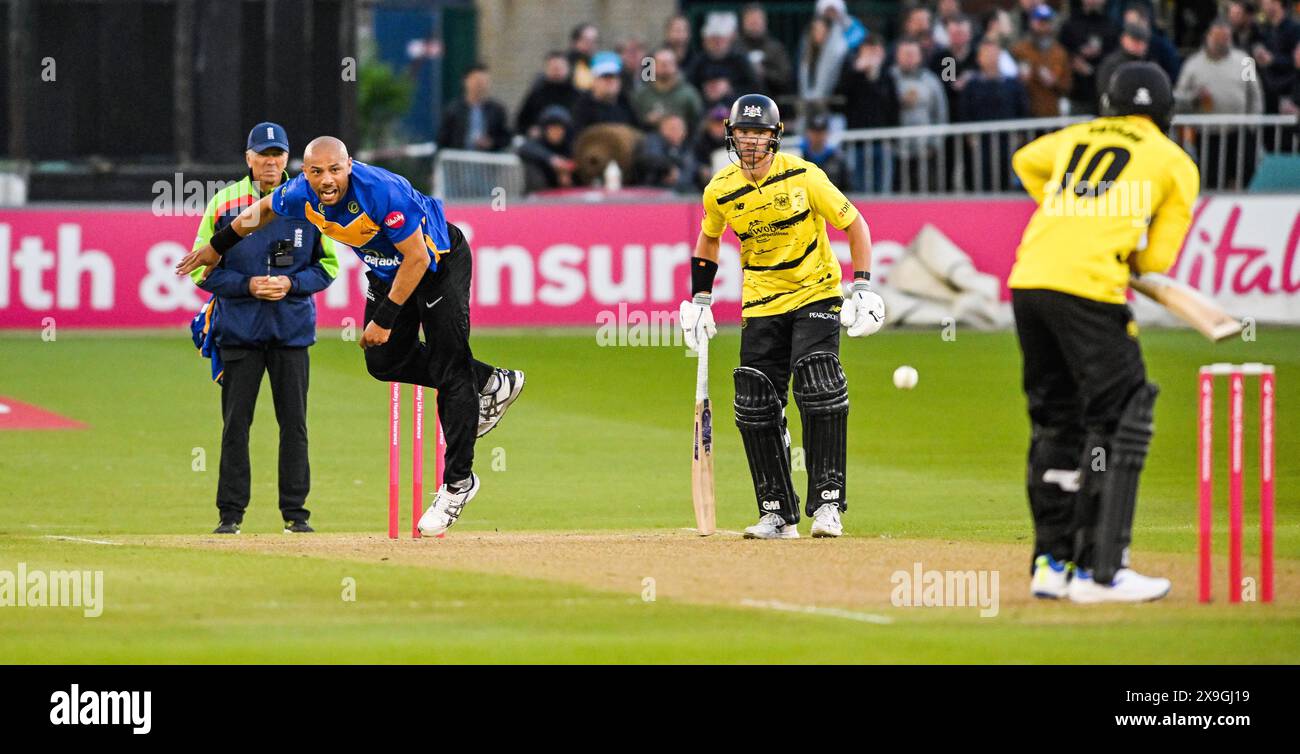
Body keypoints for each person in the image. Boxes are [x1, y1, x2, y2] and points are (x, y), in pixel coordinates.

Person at [176, 137, 527, 537]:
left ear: (349, 165)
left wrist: (386, 319)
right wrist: (215, 248)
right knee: (383, 363)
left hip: (436, 263)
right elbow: (259, 213)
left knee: (450, 365)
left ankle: (457, 485)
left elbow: (417, 258)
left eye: (335, 170)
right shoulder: (298, 193)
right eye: (316, 171)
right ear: (304, 173)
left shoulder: (380, 191)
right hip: (386, 271)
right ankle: (490, 382)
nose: (326, 180)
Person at [1009, 62, 1198, 603]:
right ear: (1165, 112)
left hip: (1029, 281)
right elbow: (1156, 259)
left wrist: (1069, 208)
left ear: (1110, 104)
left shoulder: (1077, 135)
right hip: (1088, 289)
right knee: (1122, 414)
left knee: (1056, 420)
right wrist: (1115, 237)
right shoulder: (1174, 161)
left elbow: (1025, 159)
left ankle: (1052, 563)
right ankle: (1103, 570)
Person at [679, 94, 884, 540]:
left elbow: (855, 225)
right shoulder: (720, 189)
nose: (751, 142)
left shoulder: (805, 176)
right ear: (730, 135)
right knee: (754, 401)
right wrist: (700, 298)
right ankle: (777, 512)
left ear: (775, 138)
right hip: (761, 301)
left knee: (818, 383)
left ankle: (828, 504)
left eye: (760, 134)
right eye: (743, 133)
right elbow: (708, 239)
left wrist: (863, 287)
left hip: (816, 292)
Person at [188, 123, 340, 535]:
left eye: (278, 154)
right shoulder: (224, 203)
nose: (271, 162)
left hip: (291, 331)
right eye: (263, 154)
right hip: (239, 331)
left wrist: (291, 284)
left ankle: (296, 514)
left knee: (295, 424)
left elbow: (328, 267)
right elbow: (201, 273)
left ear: (287, 158)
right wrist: (247, 285)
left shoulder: (309, 201)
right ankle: (230, 515)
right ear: (248, 158)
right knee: (236, 425)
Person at [1174, 19, 1263, 187]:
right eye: (1218, 37)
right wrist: (1194, 98)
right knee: (1211, 178)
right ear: (1208, 37)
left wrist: (1253, 123)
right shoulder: (1193, 65)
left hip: (1239, 132)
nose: (1223, 41)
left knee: (1243, 176)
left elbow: (1255, 94)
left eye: (1226, 37)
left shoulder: (1244, 61)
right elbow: (1179, 97)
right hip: (1208, 134)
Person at [891, 39, 949, 191]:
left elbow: (940, 113)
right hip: (897, 151)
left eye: (912, 54)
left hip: (925, 150)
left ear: (919, 57)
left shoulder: (931, 80)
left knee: (925, 193)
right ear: (897, 56)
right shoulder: (890, 78)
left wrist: (935, 143)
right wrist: (898, 102)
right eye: (905, 54)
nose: (909, 58)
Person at [1011, 4, 1073, 117]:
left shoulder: (1059, 52)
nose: (1044, 27)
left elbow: (1067, 85)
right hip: (1026, 113)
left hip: (1051, 114)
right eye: (1040, 22)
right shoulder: (1019, 50)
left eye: (1047, 22)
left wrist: (1054, 82)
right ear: (1032, 23)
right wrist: (1020, 79)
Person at [1060, 0, 1120, 114]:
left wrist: (1099, 59)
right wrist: (1075, 59)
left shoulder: (1112, 25)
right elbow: (1062, 51)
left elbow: (1116, 54)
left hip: (1104, 92)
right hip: (1077, 93)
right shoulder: (1070, 24)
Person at [436, 64, 511, 153]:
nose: (480, 85)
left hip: (487, 161)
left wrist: (491, 143)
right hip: (458, 161)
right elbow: (442, 139)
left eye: (485, 81)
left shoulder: (497, 110)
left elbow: (506, 137)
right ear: (465, 81)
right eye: (477, 81)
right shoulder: (453, 110)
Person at [631, 47, 704, 131]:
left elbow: (699, 122)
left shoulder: (689, 93)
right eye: (661, 64)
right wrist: (647, 121)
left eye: (669, 63)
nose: (665, 67)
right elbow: (632, 123)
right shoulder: (641, 94)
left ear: (676, 66)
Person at [516, 51, 579, 137]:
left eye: (559, 68)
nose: (556, 72)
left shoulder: (578, 96)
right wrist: (530, 130)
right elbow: (520, 123)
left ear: (568, 69)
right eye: (553, 68)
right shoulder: (536, 94)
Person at [571, 52, 636, 134]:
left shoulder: (626, 105)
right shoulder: (582, 108)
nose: (610, 81)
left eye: (613, 77)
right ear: (594, 80)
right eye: (604, 77)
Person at [738, 3, 794, 98]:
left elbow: (786, 79)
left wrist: (765, 73)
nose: (754, 24)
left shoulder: (776, 48)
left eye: (757, 20)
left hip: (772, 102)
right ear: (743, 22)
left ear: (764, 21)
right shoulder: (736, 49)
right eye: (750, 21)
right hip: (741, 101)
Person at [1254, 0, 1300, 114]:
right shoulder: (1265, 30)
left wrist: (1273, 60)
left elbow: (1296, 61)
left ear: (1277, 3)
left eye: (1265, 2)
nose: (1262, 5)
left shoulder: (1294, 28)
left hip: (1290, 92)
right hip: (1268, 92)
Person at [517, 105, 576, 192]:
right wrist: (551, 159)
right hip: (539, 192)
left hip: (565, 193)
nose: (556, 132)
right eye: (553, 128)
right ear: (545, 129)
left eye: (560, 129)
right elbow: (524, 148)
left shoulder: (568, 146)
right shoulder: (538, 143)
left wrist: (566, 171)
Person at [1095, 22, 1152, 111]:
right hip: (1117, 116)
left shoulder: (1148, 65)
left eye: (1143, 41)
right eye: (1135, 40)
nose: (1140, 45)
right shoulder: (1112, 64)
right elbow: (1106, 95)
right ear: (1124, 39)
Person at [633, 113, 694, 192]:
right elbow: (649, 160)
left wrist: (678, 177)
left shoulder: (685, 147)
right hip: (651, 191)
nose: (677, 132)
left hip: (679, 192)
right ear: (662, 129)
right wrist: (668, 168)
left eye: (680, 129)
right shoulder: (653, 141)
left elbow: (690, 170)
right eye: (672, 128)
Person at [797, 112, 851, 189]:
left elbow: (846, 187)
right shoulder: (799, 157)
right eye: (814, 132)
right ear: (808, 133)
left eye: (821, 132)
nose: (818, 136)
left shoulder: (837, 159)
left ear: (827, 133)